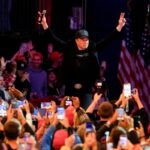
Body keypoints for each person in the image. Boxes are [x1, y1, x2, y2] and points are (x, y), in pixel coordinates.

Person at [38, 12, 126, 109]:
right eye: (83, 40)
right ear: (76, 40)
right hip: (70, 87)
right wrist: (44, 24)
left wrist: (119, 26)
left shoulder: (92, 47)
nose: (86, 42)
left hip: (86, 88)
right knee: (68, 111)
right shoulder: (69, 47)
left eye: (87, 39)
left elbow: (107, 40)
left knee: (86, 113)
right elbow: (53, 39)